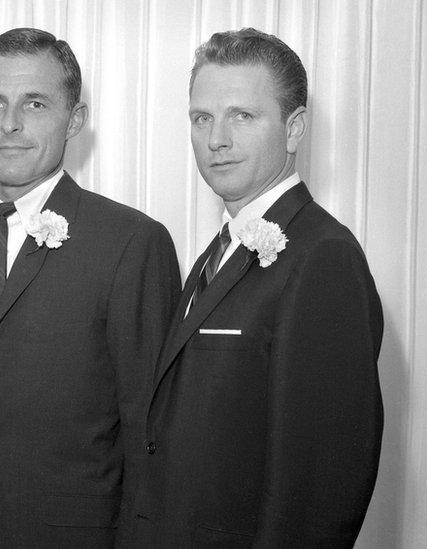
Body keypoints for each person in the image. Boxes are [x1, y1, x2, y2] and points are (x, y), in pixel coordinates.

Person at [0, 28, 181, 548]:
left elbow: (151, 433)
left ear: (75, 120)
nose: (10, 123)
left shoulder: (131, 242)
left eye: (35, 103)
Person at [130, 28, 384, 547]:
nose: (216, 139)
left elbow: (323, 484)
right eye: (202, 118)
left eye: (242, 116)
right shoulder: (216, 252)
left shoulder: (323, 256)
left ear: (294, 129)